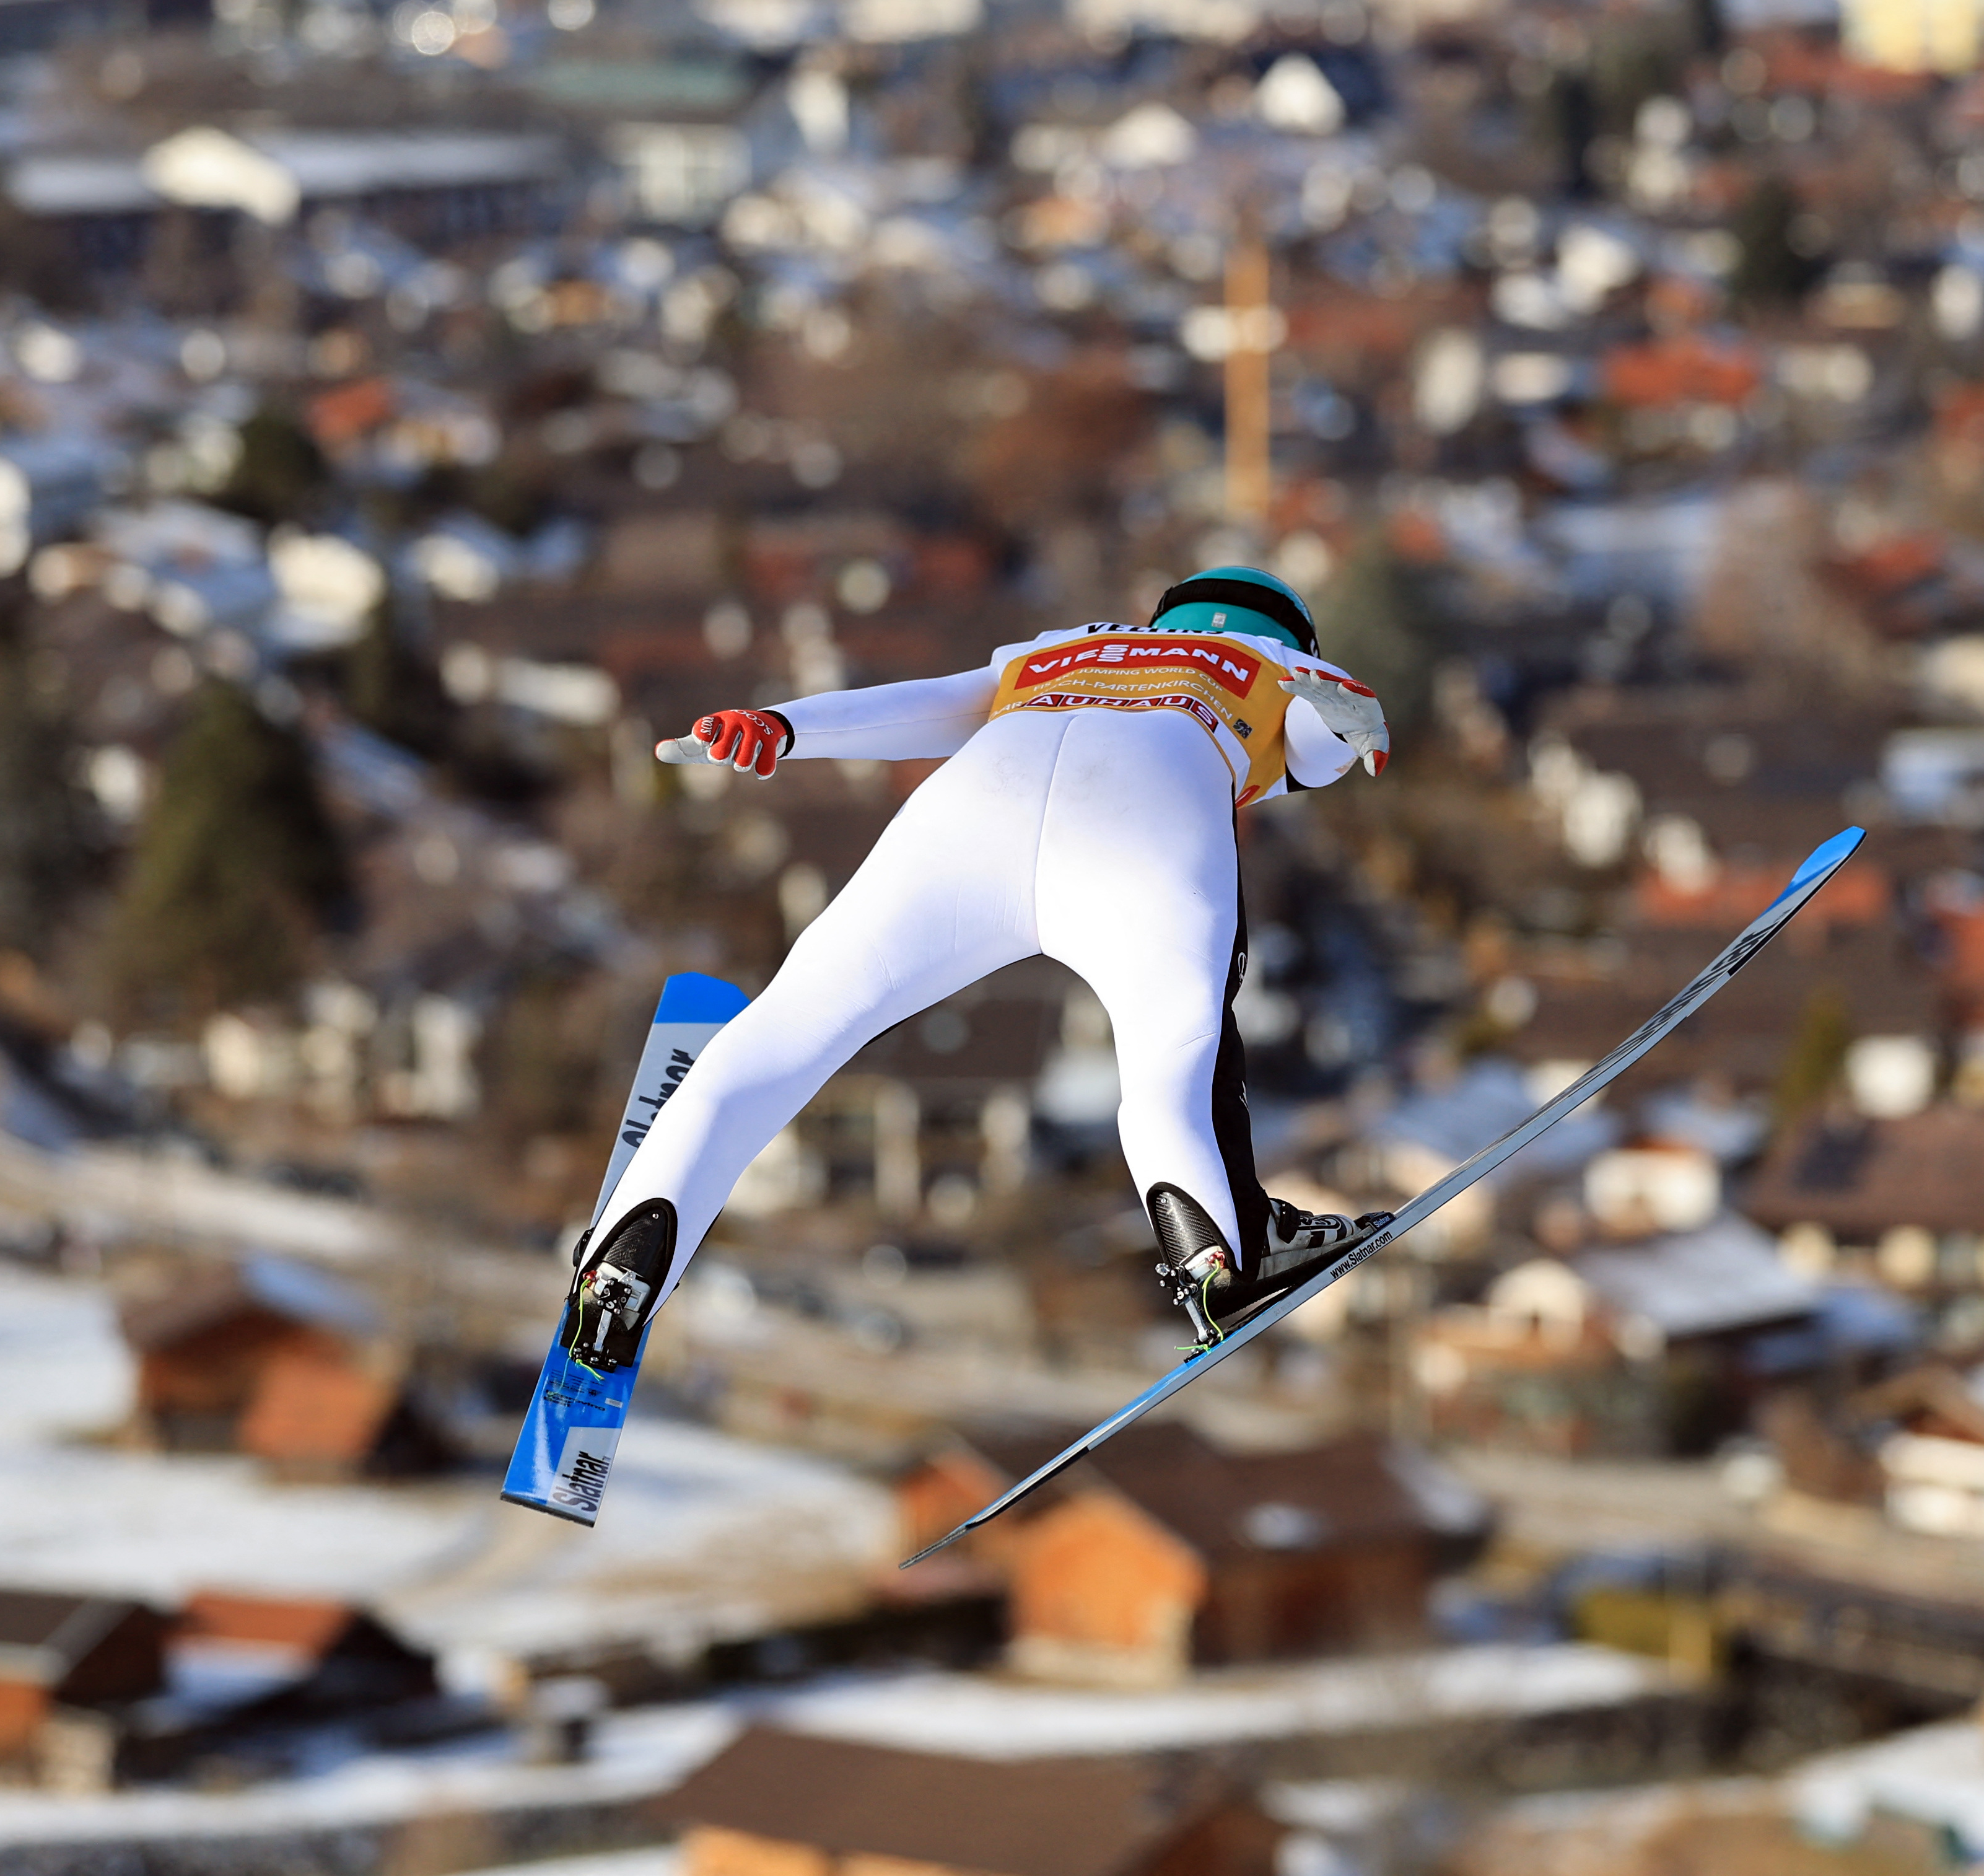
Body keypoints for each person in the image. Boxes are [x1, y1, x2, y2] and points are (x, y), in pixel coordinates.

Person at [563, 566, 1395, 1370]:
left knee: (786, 1032)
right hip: (1143, 833)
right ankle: (1220, 1258)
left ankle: (618, 1272)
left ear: (1165, 616)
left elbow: (929, 706)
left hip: (969, 822)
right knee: (1174, 1066)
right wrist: (1352, 714)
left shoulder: (1069, 646)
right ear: (1292, 633)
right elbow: (1324, 743)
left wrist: (782, 726)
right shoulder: (1287, 665)